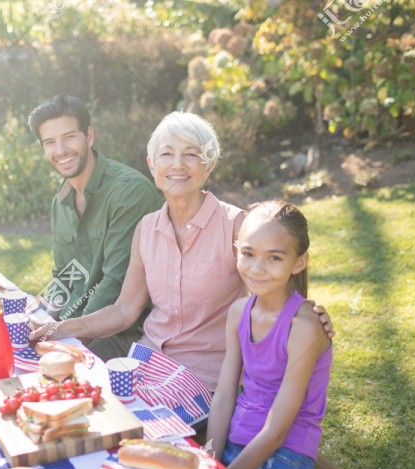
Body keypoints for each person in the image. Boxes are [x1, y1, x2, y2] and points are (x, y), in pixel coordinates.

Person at [31, 111, 333, 395]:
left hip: (206, 379)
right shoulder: (146, 229)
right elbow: (124, 310)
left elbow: (274, 298)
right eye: (166, 154)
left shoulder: (237, 226)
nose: (177, 164)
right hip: (146, 363)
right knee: (66, 394)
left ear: (209, 165)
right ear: (152, 165)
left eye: (191, 154)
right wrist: (58, 328)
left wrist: (306, 314)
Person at [206, 200, 333, 469]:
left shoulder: (303, 327)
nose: (257, 268)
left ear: (299, 262)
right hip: (238, 442)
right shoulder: (238, 312)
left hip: (285, 459)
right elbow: (223, 396)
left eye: (274, 258)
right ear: (236, 249)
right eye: (248, 254)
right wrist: (209, 462)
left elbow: (277, 428)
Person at [28, 95, 163, 361]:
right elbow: (65, 278)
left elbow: (114, 284)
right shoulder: (60, 202)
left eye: (69, 137)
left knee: (55, 375)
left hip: (130, 330)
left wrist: (68, 337)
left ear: (89, 136)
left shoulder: (128, 192)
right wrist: (35, 318)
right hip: (77, 326)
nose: (60, 150)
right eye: (49, 143)